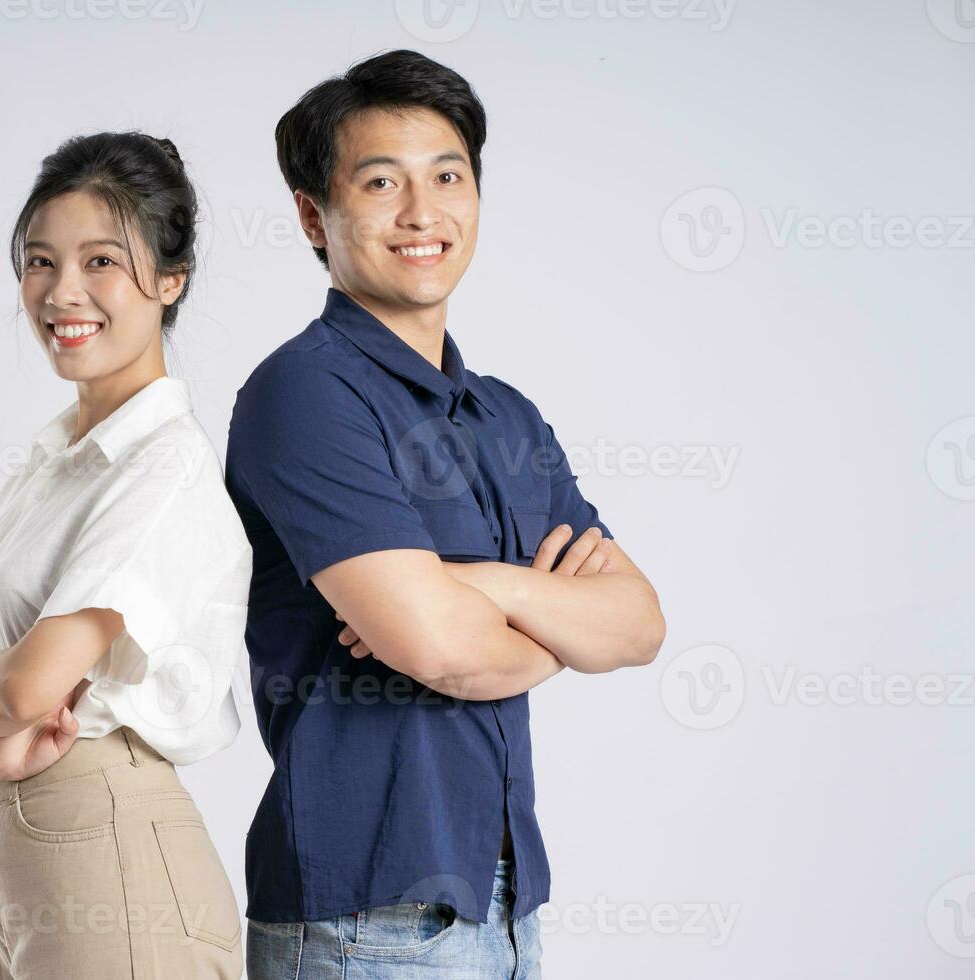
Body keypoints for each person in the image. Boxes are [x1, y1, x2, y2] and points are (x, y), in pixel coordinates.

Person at [225, 50, 667, 979]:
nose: (423, 213)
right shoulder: (304, 393)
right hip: (365, 922)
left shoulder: (505, 413)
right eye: (382, 182)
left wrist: (479, 586)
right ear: (315, 214)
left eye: (448, 176)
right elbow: (439, 647)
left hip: (508, 907)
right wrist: (545, 620)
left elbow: (637, 626)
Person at [0, 131, 248, 980]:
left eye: (102, 262)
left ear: (171, 280)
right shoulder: (51, 463)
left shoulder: (164, 465)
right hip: (19, 840)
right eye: (39, 261)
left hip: (107, 839)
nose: (62, 292)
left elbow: (24, 687)